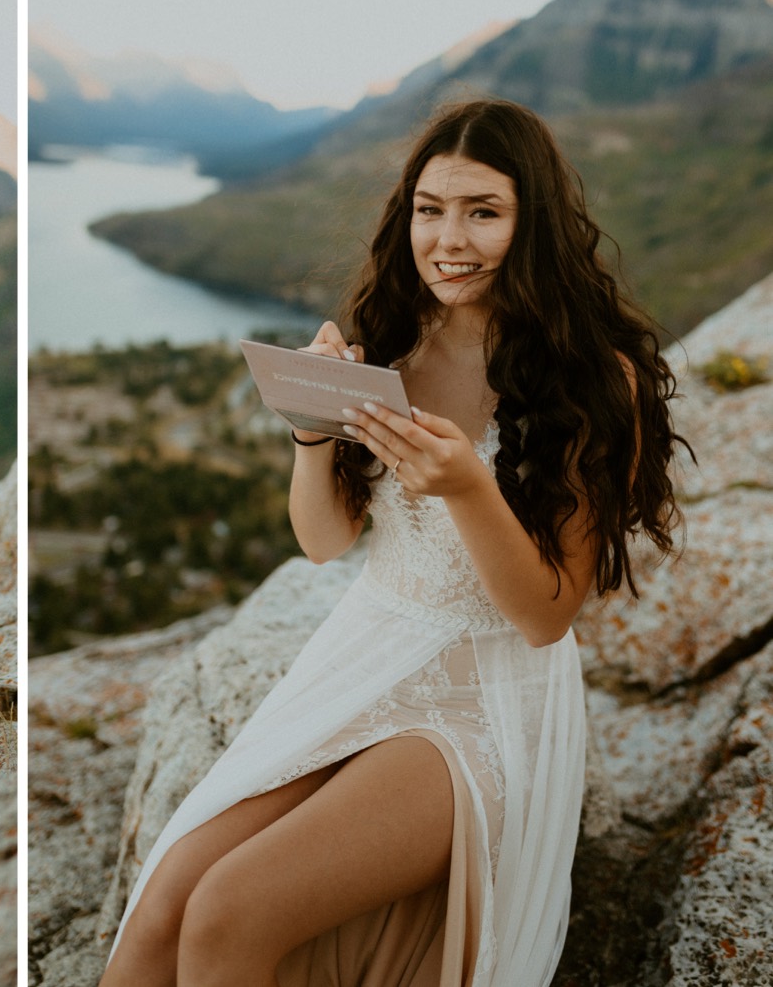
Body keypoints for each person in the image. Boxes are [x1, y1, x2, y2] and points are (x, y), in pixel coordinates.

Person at [100, 99, 684, 987]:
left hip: (482, 696)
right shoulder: (393, 345)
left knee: (231, 909)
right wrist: (310, 430)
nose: (449, 238)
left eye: (483, 211)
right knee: (165, 902)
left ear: (533, 224)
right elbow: (327, 541)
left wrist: (467, 488)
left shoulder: (597, 377)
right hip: (365, 652)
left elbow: (544, 614)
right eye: (429, 209)